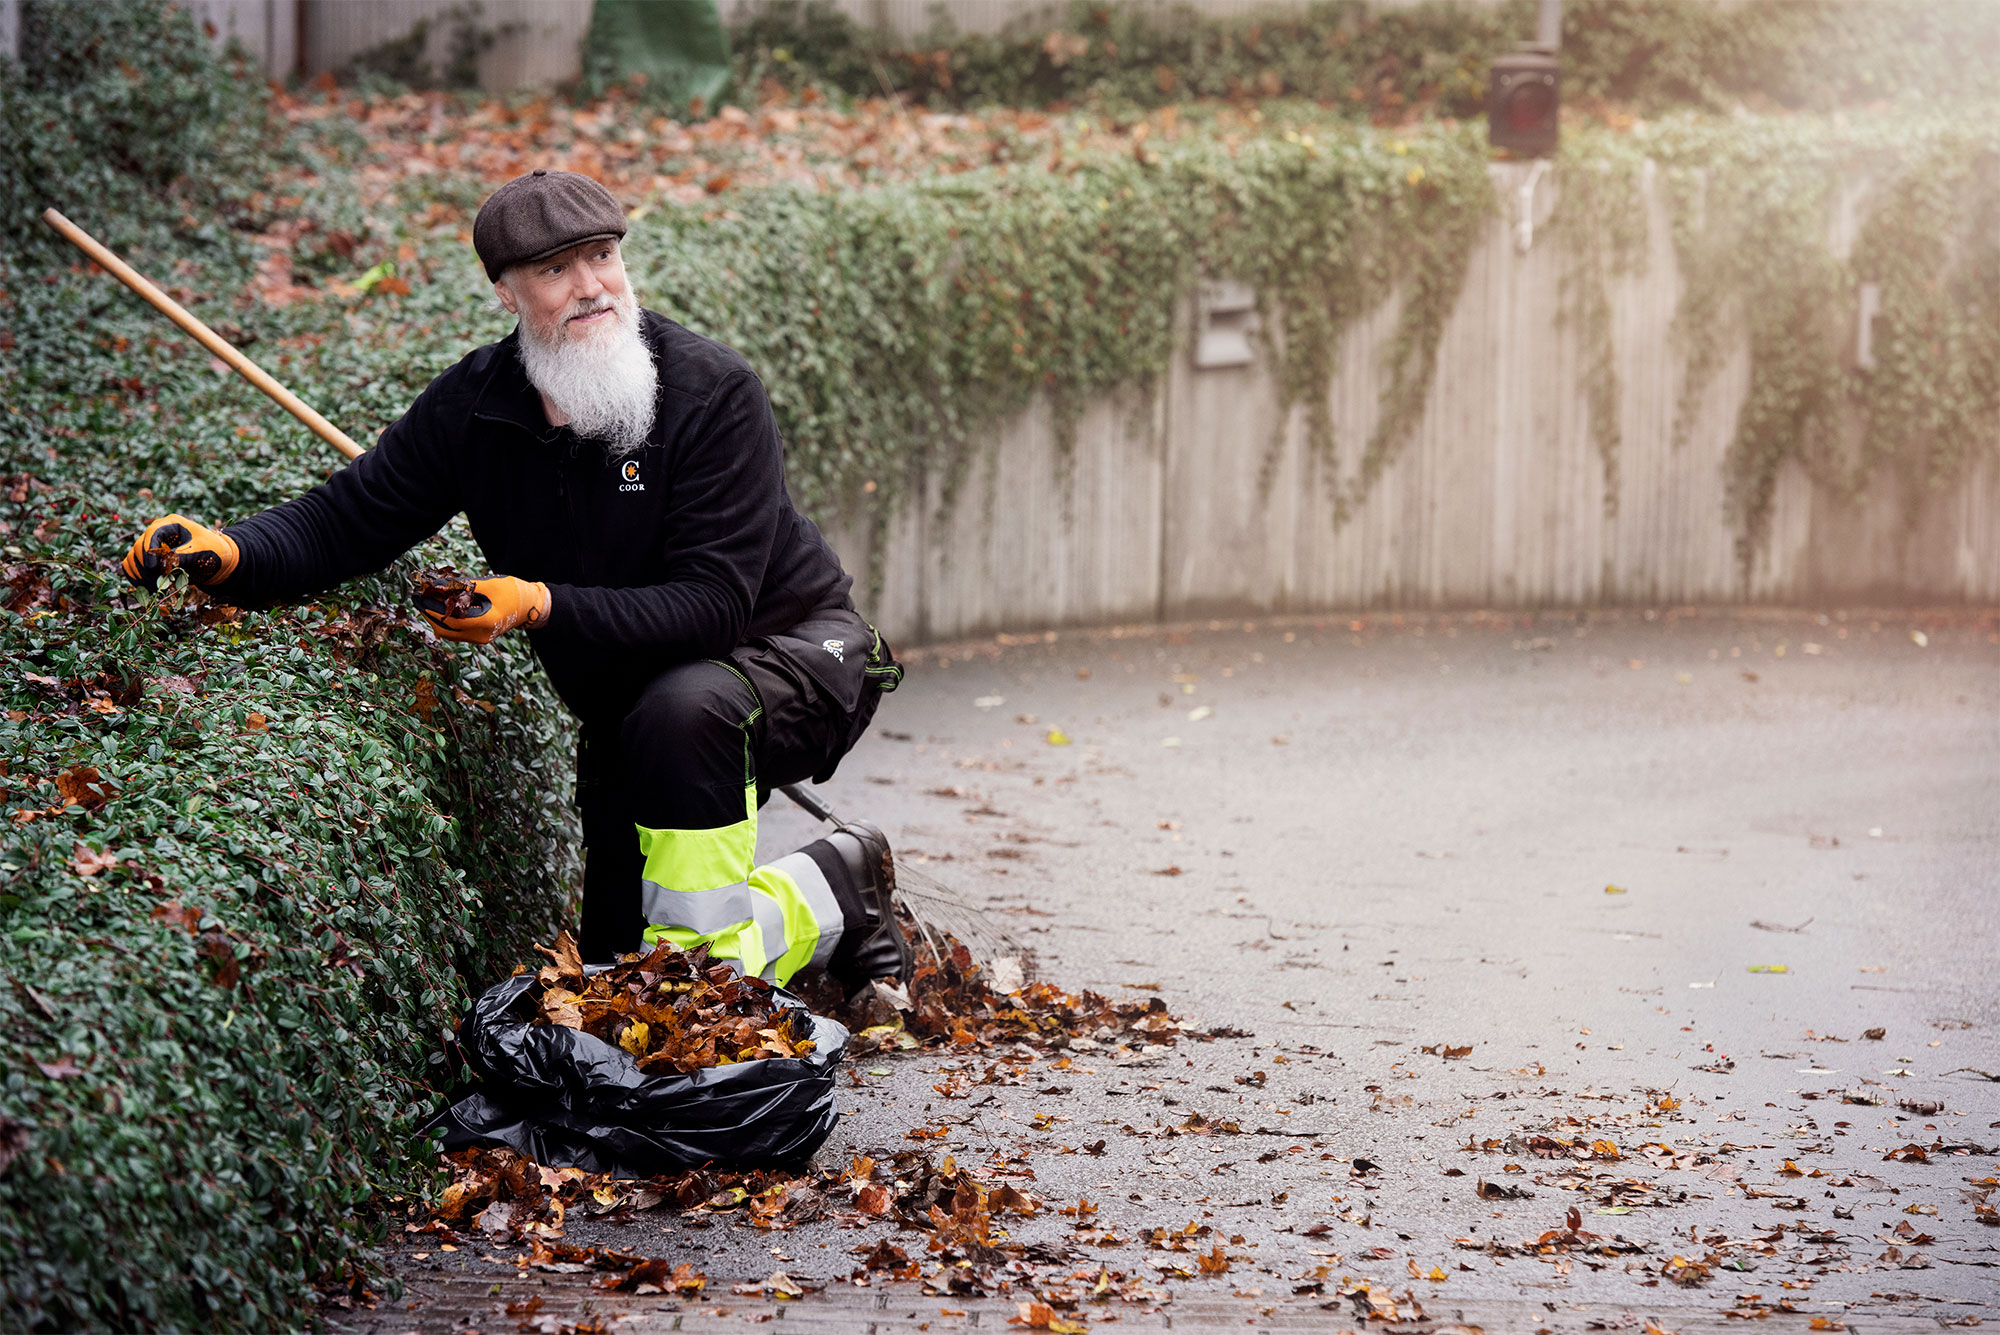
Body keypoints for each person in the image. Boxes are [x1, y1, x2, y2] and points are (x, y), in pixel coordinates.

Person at [119, 168, 911, 996]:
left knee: (686, 732)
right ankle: (837, 886)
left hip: (799, 652)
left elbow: (712, 609)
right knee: (614, 962)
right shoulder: (476, 411)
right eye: (555, 271)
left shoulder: (713, 393)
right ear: (506, 292)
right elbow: (342, 522)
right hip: (637, 705)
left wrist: (538, 602)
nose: (590, 286)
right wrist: (230, 556)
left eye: (602, 256)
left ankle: (708, 1011)